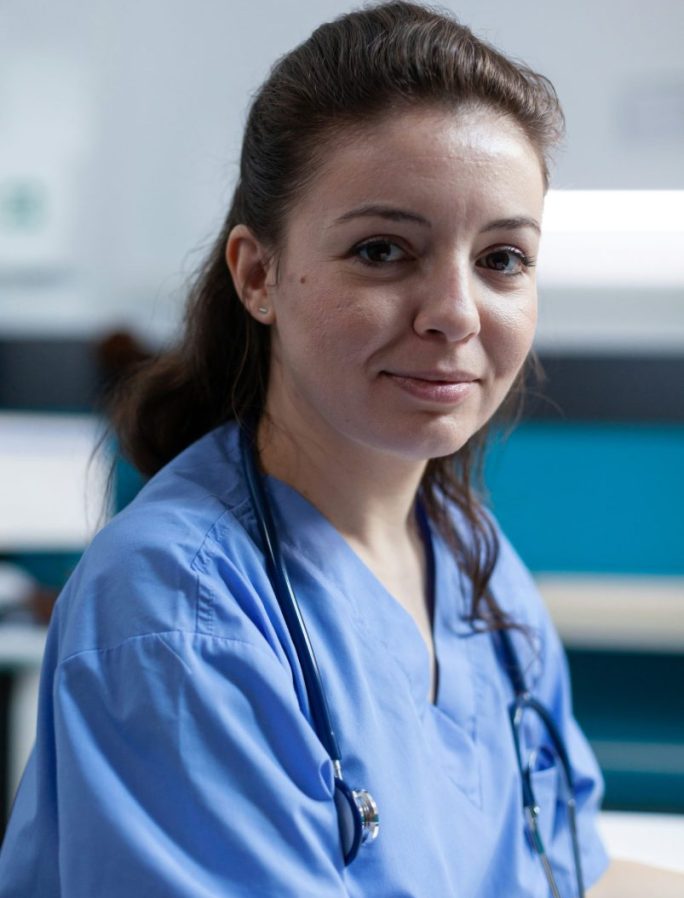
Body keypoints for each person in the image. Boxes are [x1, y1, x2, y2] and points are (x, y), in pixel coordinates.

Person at [1, 3, 682, 896]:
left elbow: (569, 873)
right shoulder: (178, 611)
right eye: (383, 250)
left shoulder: (473, 563)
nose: (456, 313)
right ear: (258, 275)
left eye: (502, 259)